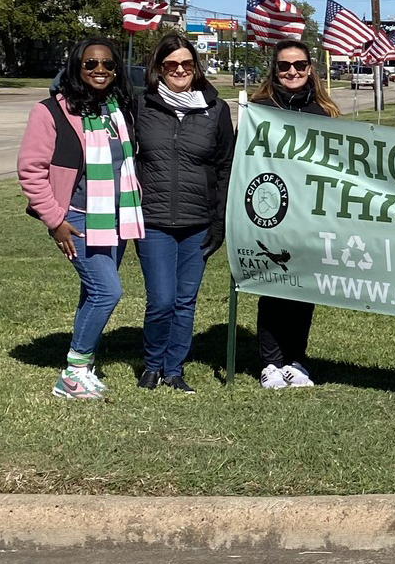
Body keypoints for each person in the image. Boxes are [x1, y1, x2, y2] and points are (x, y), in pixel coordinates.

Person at [17, 37, 144, 400]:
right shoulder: (51, 111)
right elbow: (31, 170)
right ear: (76, 68)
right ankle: (72, 374)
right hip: (76, 220)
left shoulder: (118, 108)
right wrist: (54, 220)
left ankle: (83, 367)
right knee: (108, 291)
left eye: (107, 64)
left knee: (93, 292)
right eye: (90, 64)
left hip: (117, 216)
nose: (99, 70)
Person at [132, 32, 235, 394]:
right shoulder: (140, 106)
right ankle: (152, 365)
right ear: (159, 68)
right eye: (171, 64)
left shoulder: (217, 110)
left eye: (186, 64)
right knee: (160, 299)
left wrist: (219, 222)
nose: (179, 70)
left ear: (196, 67)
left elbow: (226, 168)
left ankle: (174, 369)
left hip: (198, 223)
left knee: (184, 300)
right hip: (153, 220)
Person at [248, 41, 340, 388]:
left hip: (311, 216)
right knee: (273, 287)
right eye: (284, 66)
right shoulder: (259, 110)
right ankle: (270, 364)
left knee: (304, 289)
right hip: (270, 213)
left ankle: (296, 360)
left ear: (309, 68)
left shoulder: (324, 112)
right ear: (274, 69)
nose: (292, 72)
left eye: (299, 65)